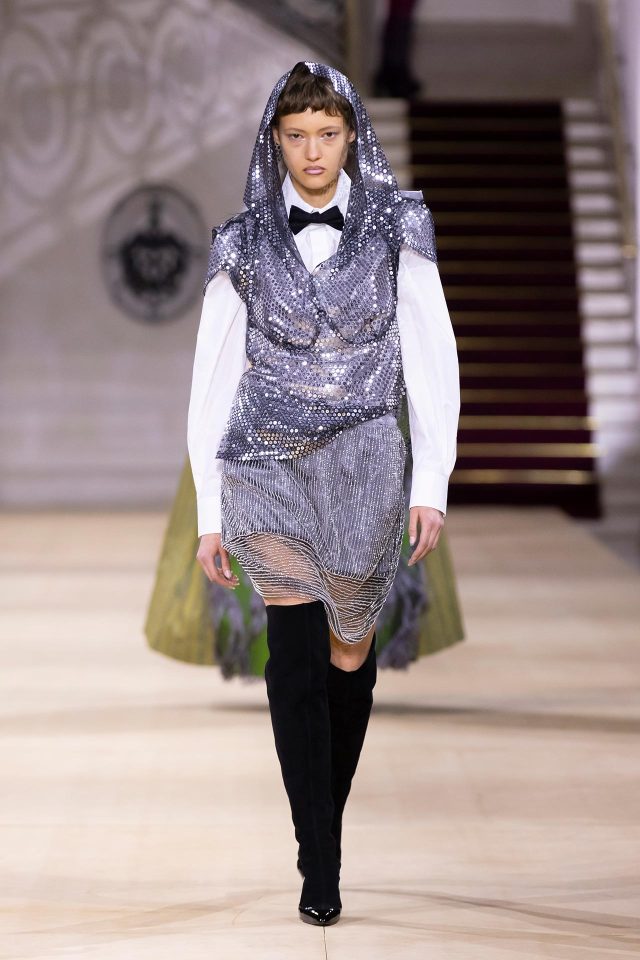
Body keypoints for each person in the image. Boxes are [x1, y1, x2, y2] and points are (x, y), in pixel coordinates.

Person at [185, 61, 460, 926]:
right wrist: (209, 510)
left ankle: (320, 831)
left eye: (328, 135)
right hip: (263, 462)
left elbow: (433, 356)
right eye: (297, 136)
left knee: (348, 649)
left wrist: (431, 481)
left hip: (367, 460)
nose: (312, 152)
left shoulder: (396, 224)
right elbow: (211, 379)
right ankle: (322, 861)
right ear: (275, 140)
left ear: (351, 136)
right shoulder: (242, 241)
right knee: (294, 653)